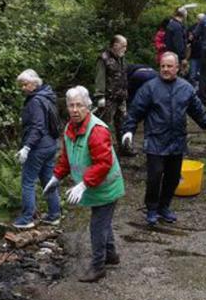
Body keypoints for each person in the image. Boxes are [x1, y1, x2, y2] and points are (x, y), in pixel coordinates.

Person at [121, 52, 206, 225]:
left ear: (177, 68)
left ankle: (164, 207)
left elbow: (196, 108)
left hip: (177, 140)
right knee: (155, 176)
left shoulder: (186, 87)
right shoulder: (149, 87)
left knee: (173, 177)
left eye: (169, 66)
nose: (165, 69)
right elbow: (136, 111)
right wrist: (128, 130)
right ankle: (151, 208)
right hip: (155, 140)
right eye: (162, 66)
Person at [43, 86, 124, 283]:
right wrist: (56, 177)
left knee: (97, 226)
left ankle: (98, 267)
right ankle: (111, 255)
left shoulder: (96, 131)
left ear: (88, 106)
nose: (75, 109)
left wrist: (83, 184)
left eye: (79, 105)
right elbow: (66, 158)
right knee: (103, 223)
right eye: (71, 105)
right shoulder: (70, 128)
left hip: (106, 187)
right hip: (93, 187)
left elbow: (103, 163)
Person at [13, 69, 62, 229]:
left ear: (34, 83)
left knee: (28, 182)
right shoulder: (46, 96)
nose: (23, 88)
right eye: (21, 85)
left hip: (38, 147)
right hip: (50, 145)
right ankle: (54, 215)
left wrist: (26, 147)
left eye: (25, 84)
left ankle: (27, 218)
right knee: (48, 180)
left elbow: (38, 126)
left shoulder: (34, 101)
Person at [94, 35, 129, 146]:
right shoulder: (103, 58)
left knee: (123, 124)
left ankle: (125, 147)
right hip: (109, 99)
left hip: (121, 96)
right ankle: (103, 149)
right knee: (105, 125)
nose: (125, 49)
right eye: (123, 46)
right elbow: (100, 77)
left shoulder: (121, 57)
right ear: (115, 45)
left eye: (126, 46)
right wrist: (100, 96)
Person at [165, 7, 188, 73]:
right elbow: (178, 43)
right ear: (184, 15)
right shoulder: (177, 27)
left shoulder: (171, 24)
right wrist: (183, 57)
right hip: (175, 56)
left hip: (169, 53)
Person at [188, 12, 205, 93]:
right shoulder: (192, 28)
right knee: (192, 75)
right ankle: (192, 92)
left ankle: (201, 92)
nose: (201, 21)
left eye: (202, 19)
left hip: (204, 55)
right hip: (194, 55)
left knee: (203, 75)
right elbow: (188, 40)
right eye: (199, 19)